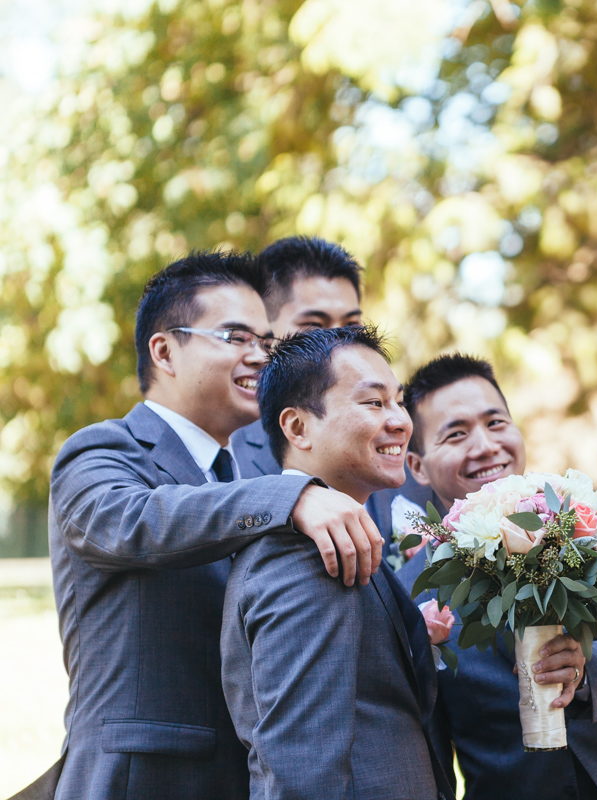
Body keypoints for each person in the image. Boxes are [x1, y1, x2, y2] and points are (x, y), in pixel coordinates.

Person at [43, 252, 384, 800]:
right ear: (165, 350)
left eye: (267, 343)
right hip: (140, 779)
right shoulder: (101, 450)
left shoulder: (254, 475)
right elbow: (132, 520)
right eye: (236, 337)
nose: (260, 358)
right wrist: (290, 493)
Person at [368, 354, 597, 800]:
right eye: (456, 433)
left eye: (496, 423)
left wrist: (586, 676)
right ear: (416, 466)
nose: (486, 445)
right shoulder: (414, 594)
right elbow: (430, 748)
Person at [221, 325, 452, 800]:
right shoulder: (306, 555)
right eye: (373, 403)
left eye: (398, 401)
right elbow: (302, 768)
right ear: (298, 427)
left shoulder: (344, 532)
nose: (401, 422)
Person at [229, 236, 432, 510]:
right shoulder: (229, 459)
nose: (339, 339)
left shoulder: (404, 458)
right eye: (315, 325)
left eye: (351, 325)